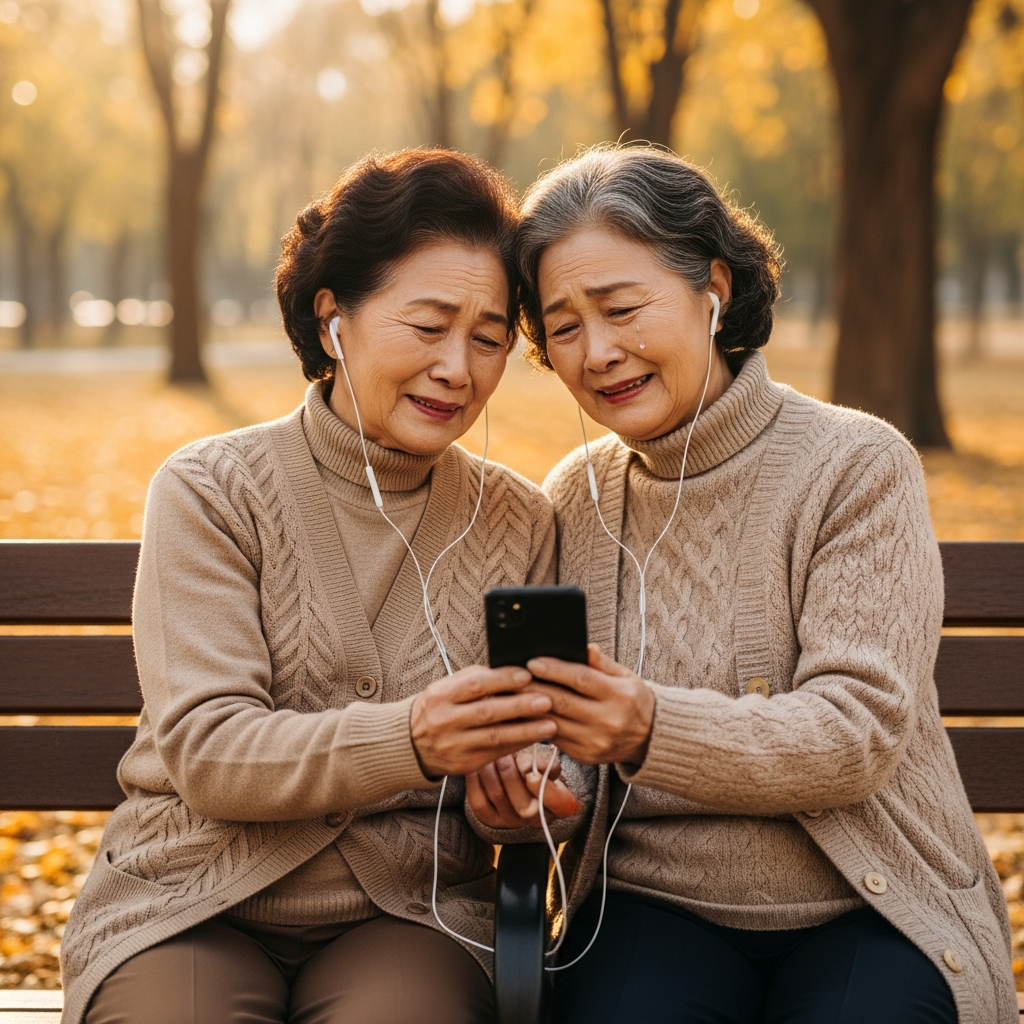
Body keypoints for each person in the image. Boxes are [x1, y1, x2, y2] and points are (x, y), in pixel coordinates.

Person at [60, 148, 585, 1024]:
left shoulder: (519, 522)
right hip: (191, 903)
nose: (459, 368)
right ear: (333, 315)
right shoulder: (212, 490)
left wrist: (522, 803)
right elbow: (210, 752)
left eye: (488, 338)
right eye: (428, 326)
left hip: (409, 915)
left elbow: (535, 774)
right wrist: (411, 739)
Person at [502, 145, 1016, 1023]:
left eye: (623, 308)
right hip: (651, 909)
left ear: (713, 289)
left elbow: (854, 732)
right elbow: (571, 753)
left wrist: (652, 724)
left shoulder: (854, 466)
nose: (598, 353)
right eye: (562, 326)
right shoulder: (575, 498)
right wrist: (532, 783)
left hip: (869, 903)